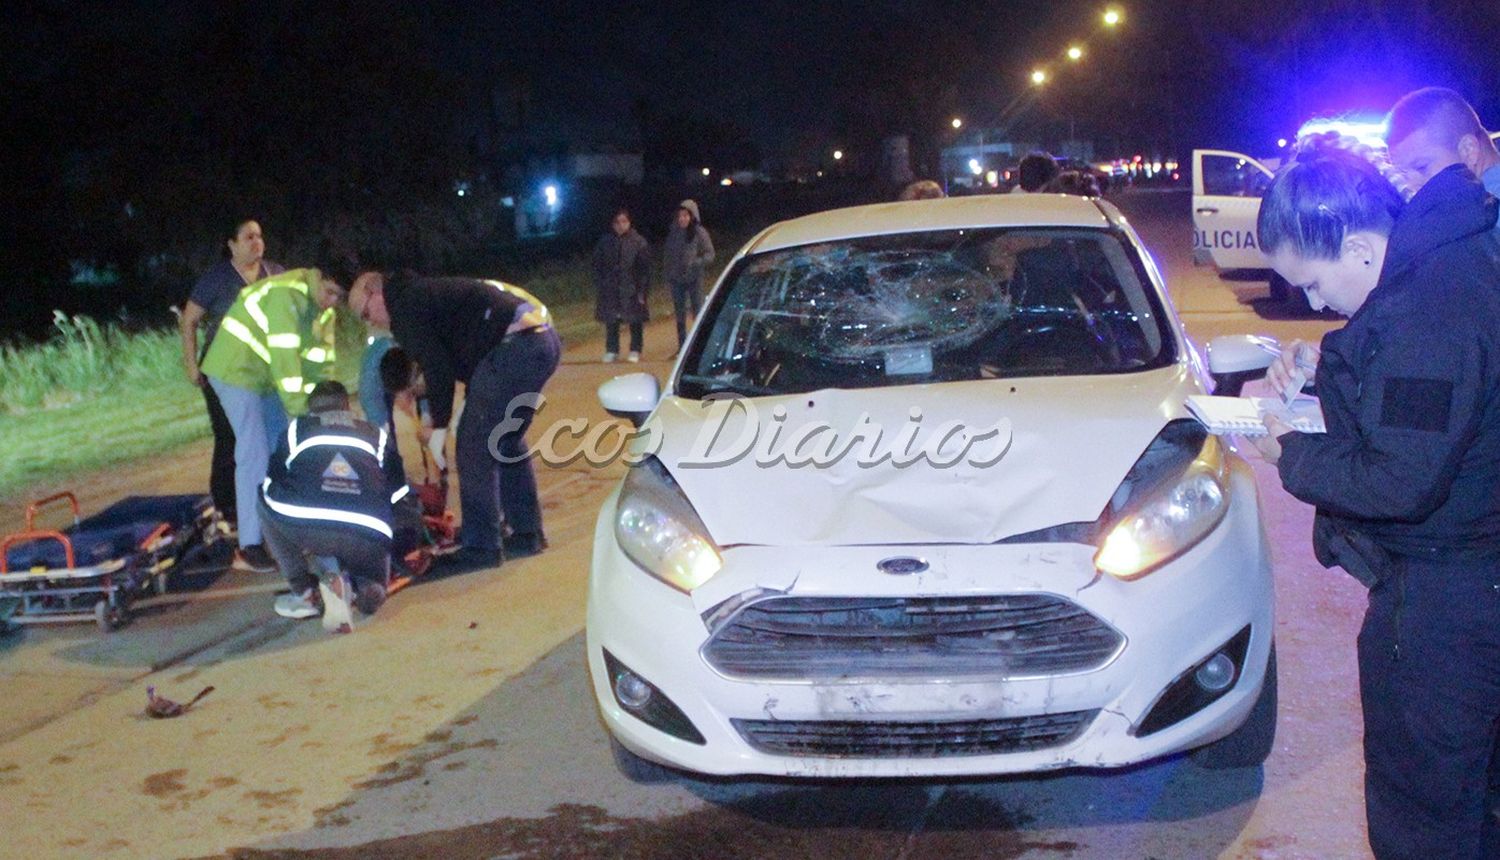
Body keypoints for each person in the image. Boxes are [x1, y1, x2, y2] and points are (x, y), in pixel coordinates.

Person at [1251, 138, 1500, 859]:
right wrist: (1329, 370)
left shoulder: (1430, 312)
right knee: (1472, 796)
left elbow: (1399, 478)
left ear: (1360, 246)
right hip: (1470, 579)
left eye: (1317, 284)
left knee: (1424, 811)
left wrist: (1290, 455)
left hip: (1448, 602)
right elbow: (1429, 410)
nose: (1315, 302)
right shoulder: (1442, 269)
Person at [348, 273, 559, 573]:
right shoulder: (427, 295)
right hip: (540, 341)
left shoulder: (404, 306)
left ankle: (482, 547)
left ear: (375, 292)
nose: (372, 323)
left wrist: (438, 426)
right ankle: (526, 533)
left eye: (367, 314)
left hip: (515, 346)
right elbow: (457, 368)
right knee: (505, 440)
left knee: (473, 448)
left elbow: (438, 370)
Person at [199, 267, 347, 572]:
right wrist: (302, 413)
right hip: (235, 369)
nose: (331, 301)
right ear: (318, 277)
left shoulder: (324, 312)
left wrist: (331, 408)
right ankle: (249, 544)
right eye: (329, 291)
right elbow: (286, 364)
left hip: (264, 378)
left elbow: (322, 365)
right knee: (253, 453)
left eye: (338, 297)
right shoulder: (287, 295)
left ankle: (286, 530)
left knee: (284, 451)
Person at [178, 217, 286, 571]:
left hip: (265, 374)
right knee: (247, 446)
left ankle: (277, 525)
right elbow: (189, 320)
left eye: (260, 236)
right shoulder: (218, 279)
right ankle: (248, 540)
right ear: (232, 244)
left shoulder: (276, 273)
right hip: (228, 372)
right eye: (248, 237)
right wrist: (191, 364)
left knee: (276, 444)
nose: (257, 242)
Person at [259, 381, 406, 633]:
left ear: (310, 411)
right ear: (348, 407)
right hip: (368, 530)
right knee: (374, 579)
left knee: (263, 497)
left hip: (308, 524)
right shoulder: (375, 434)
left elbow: (275, 477)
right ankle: (367, 587)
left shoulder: (297, 430)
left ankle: (305, 591)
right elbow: (398, 491)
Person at [1385, 87, 1500, 229]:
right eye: (1402, 175)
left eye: (1421, 167)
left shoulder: (1484, 219)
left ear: (1468, 150)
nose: (1410, 186)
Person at [592, 208, 651, 363]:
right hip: (611, 287)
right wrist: (601, 283)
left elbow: (644, 269)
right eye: (617, 222)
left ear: (629, 223)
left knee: (635, 319)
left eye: (624, 221)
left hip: (632, 287)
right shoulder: (605, 242)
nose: (620, 225)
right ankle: (612, 350)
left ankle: (635, 349)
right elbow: (598, 265)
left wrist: (642, 291)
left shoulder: (638, 241)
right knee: (612, 320)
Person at [662, 199, 716, 354]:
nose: (682, 219)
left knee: (697, 312)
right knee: (679, 314)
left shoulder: (699, 232)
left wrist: (696, 262)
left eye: (686, 215)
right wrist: (668, 276)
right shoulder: (673, 233)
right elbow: (667, 256)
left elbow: (710, 254)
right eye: (680, 216)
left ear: (692, 216)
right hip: (676, 279)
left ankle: (700, 346)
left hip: (694, 278)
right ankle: (682, 346)